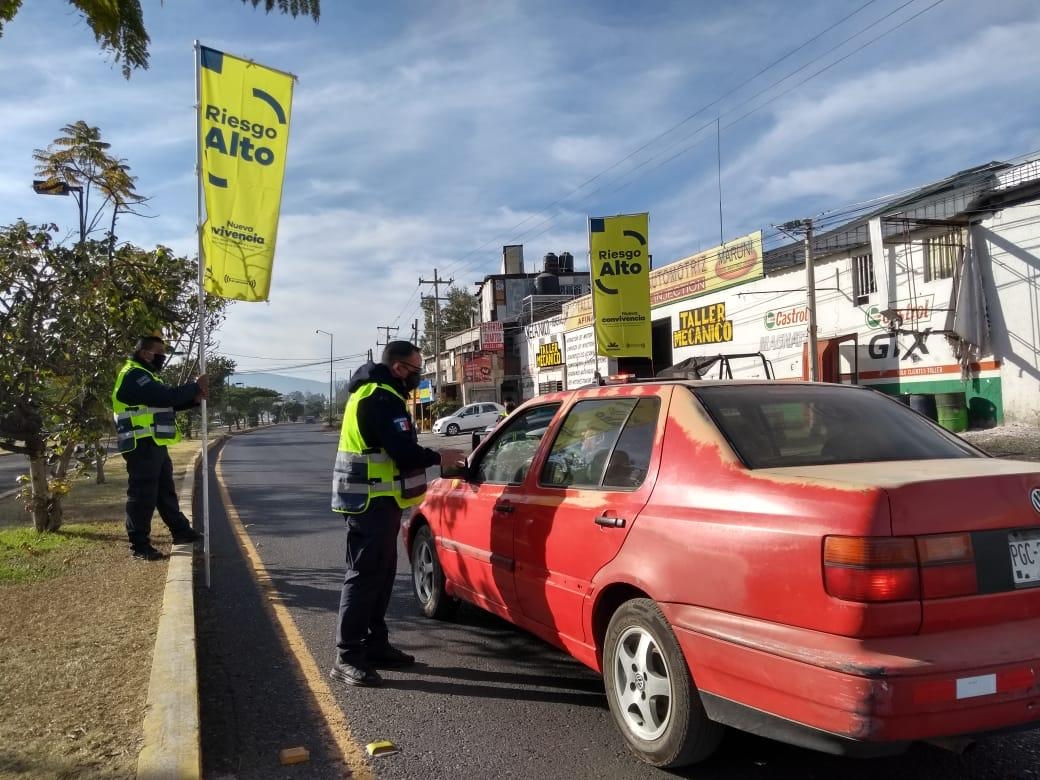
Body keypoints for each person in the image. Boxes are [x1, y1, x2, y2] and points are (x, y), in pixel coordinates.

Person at [330, 340, 459, 687]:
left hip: (380, 502)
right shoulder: (380, 396)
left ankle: (375, 644)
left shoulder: (381, 392)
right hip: (368, 503)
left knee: (382, 576)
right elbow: (403, 452)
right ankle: (347, 656)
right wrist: (439, 458)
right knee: (363, 577)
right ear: (400, 369)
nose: (419, 376)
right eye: (417, 370)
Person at [111, 335, 208, 561]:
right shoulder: (134, 374)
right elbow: (164, 397)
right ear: (146, 353)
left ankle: (181, 531)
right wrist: (195, 385)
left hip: (153, 442)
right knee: (142, 495)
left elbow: (166, 403)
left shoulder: (148, 375)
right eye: (160, 353)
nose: (163, 358)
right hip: (140, 444)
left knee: (165, 491)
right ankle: (139, 546)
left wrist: (194, 398)